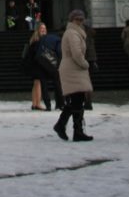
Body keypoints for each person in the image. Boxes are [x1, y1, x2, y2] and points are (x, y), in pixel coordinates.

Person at [53, 9, 93, 141]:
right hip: (73, 69)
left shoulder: (73, 32)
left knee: (76, 100)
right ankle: (76, 131)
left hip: (72, 68)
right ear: (72, 20)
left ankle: (64, 126)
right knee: (77, 100)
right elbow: (76, 53)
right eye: (77, 19)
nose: (80, 22)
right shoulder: (72, 33)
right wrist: (85, 64)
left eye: (82, 19)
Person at [35, 24, 63, 111]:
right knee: (57, 83)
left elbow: (36, 50)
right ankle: (60, 104)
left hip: (40, 62)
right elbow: (59, 52)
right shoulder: (58, 40)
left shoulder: (44, 38)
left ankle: (48, 105)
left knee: (44, 85)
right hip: (52, 64)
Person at [24, 22, 47, 110]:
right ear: (38, 30)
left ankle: (35, 103)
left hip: (34, 64)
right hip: (36, 65)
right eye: (42, 29)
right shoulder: (37, 41)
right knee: (38, 83)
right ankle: (37, 103)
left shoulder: (34, 40)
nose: (44, 31)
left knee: (36, 83)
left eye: (45, 29)